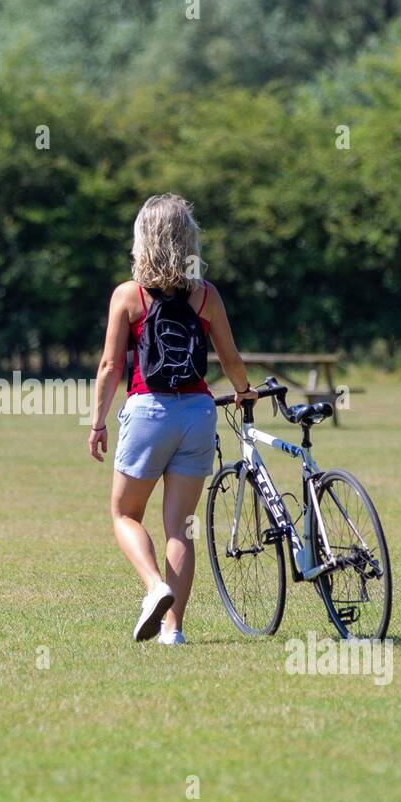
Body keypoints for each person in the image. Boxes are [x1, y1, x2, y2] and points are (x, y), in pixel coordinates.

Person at [88, 194, 258, 644]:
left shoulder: (129, 295)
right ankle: (174, 631)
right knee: (180, 526)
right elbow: (230, 358)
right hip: (198, 413)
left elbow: (110, 366)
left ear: (143, 240)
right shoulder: (206, 295)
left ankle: (154, 587)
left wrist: (97, 422)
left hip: (148, 410)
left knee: (124, 513)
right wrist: (244, 391)